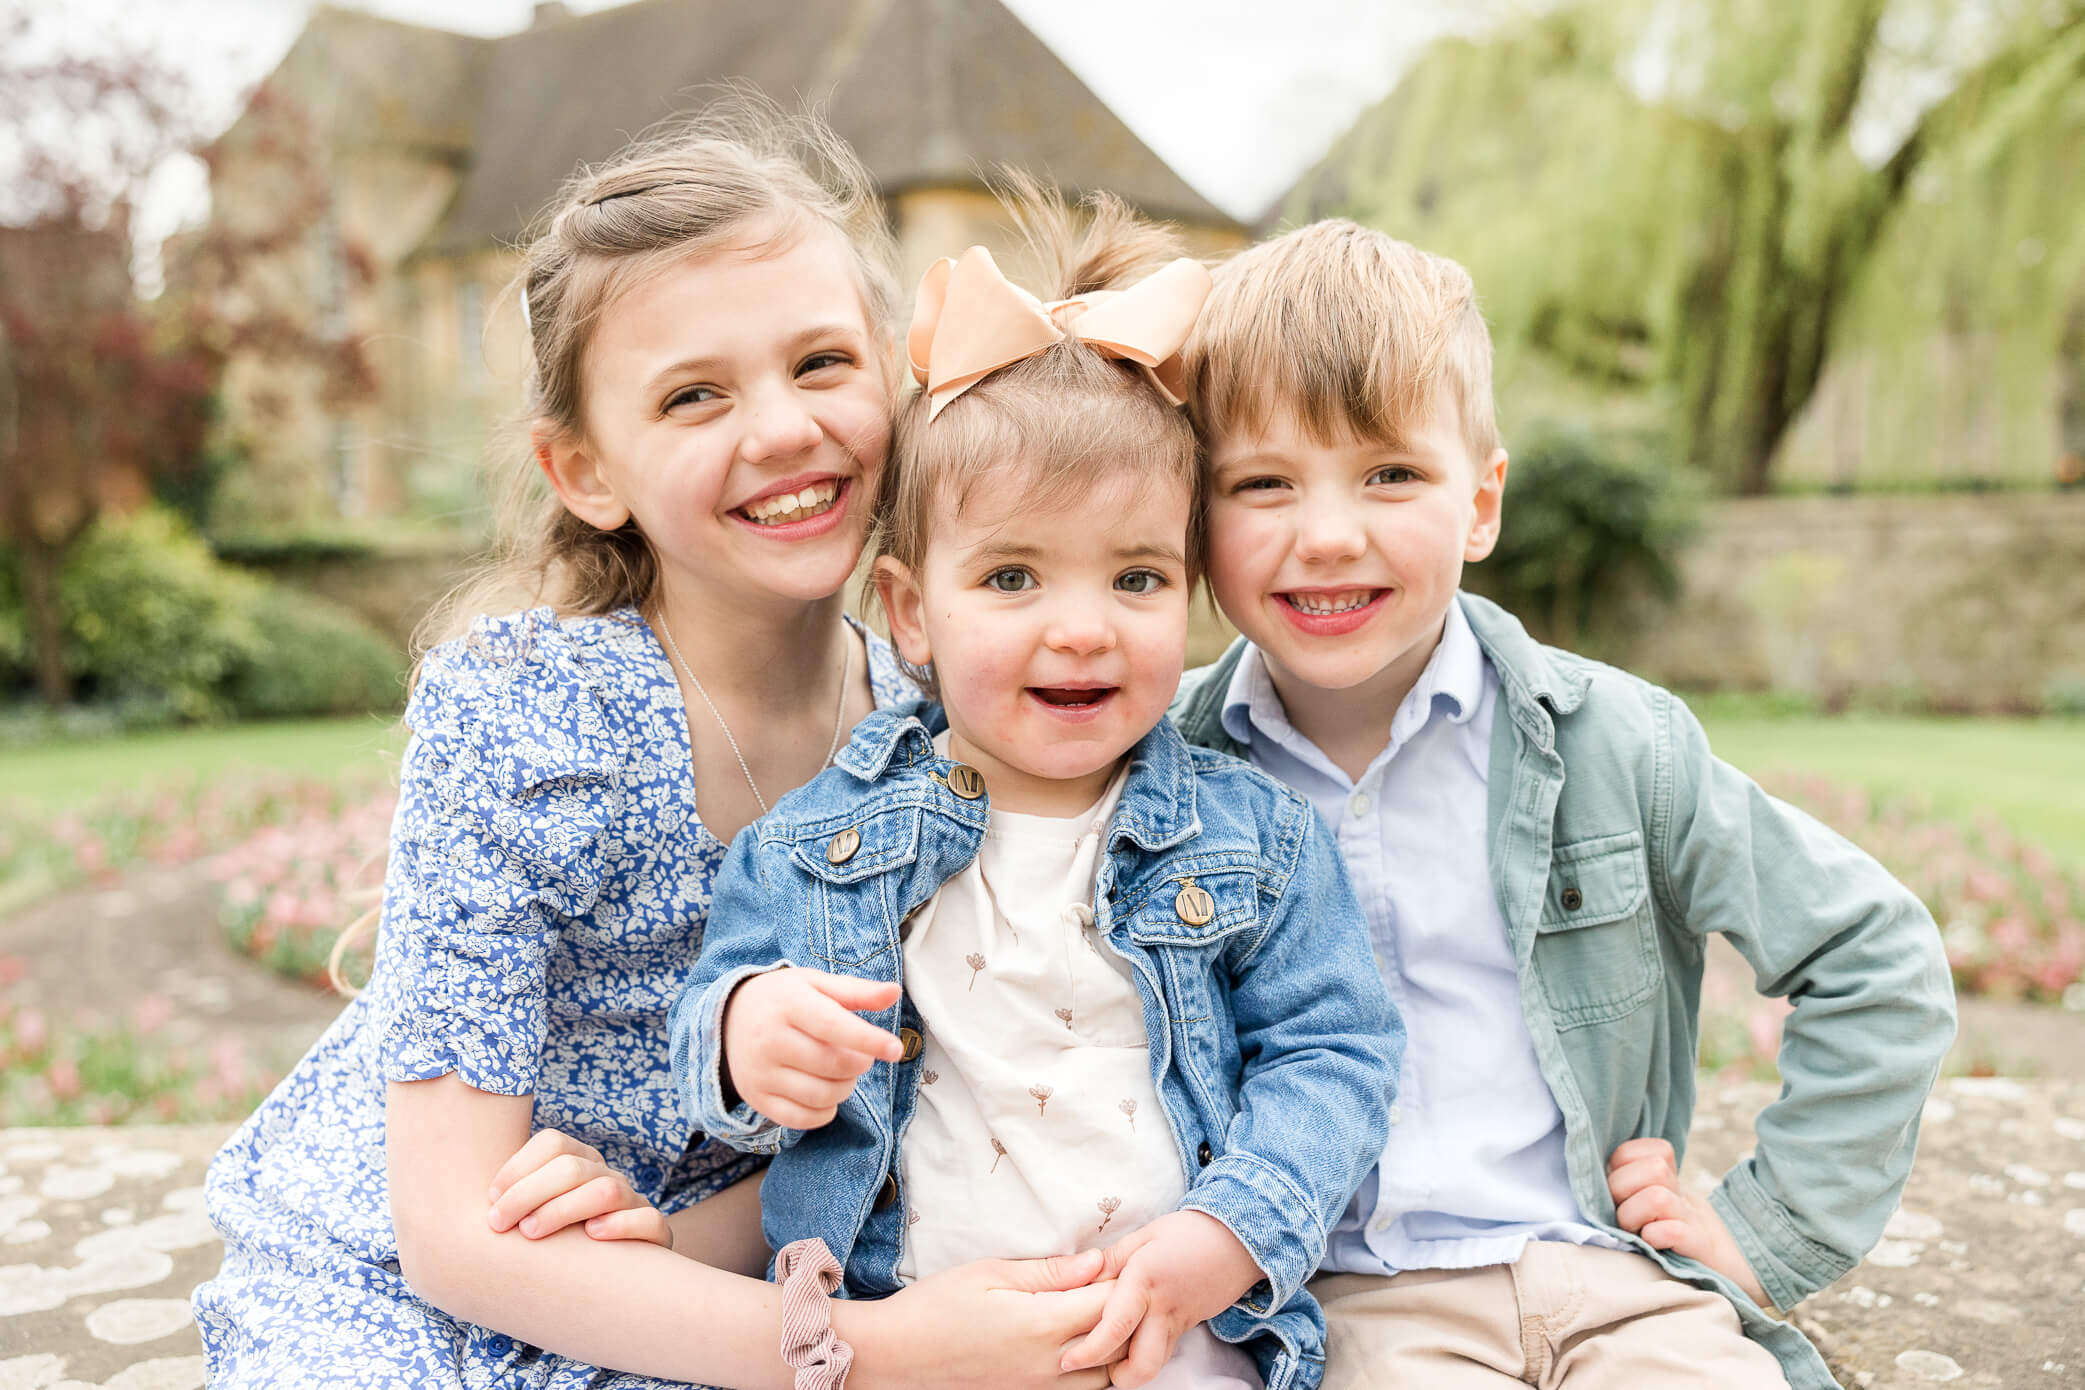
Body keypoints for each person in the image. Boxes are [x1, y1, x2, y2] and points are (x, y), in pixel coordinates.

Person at [191, 109, 1140, 1390]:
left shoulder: (945, 715)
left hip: (741, 1262)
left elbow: (917, 1102)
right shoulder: (523, 716)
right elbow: (455, 1237)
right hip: (460, 1259)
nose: (782, 429)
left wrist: (690, 1245)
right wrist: (870, 1349)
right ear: (584, 467)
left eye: (820, 363)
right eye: (695, 395)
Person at [1166, 218, 1958, 1390]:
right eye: (1263, 483)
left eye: (1391, 473)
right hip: (1367, 1304)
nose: (1328, 535)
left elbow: (1876, 957)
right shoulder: (1161, 777)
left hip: (1619, 1278)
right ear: (1197, 522)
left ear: (1480, 502)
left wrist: (1763, 1228)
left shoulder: (1615, 744)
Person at [669, 191, 1402, 1390]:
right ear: (911, 611)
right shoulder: (817, 844)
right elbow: (713, 1020)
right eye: (1012, 576)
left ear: (1191, 594)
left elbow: (1335, 1049)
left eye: (1135, 577)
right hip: (916, 1326)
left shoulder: (1253, 840)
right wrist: (748, 1032)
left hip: (1170, 1337)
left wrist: (1225, 1239)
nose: (1080, 631)